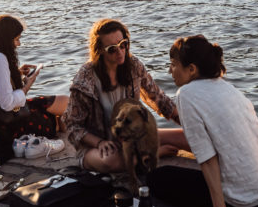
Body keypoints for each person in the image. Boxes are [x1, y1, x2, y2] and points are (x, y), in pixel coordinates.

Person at [148, 35, 258, 207]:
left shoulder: (186, 94)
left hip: (250, 198)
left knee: (156, 179)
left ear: (192, 69)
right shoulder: (223, 85)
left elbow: (207, 158)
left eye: (174, 65)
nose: (170, 71)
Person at [62, 18, 184, 173]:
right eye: (112, 49)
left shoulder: (133, 66)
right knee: (111, 162)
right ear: (99, 50)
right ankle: (150, 156)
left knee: (189, 138)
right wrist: (99, 143)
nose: (120, 52)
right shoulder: (85, 79)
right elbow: (72, 126)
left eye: (123, 44)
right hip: (100, 147)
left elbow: (159, 98)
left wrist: (186, 123)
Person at [0, 15, 67, 160]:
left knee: (62, 102)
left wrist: (17, 74)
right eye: (16, 39)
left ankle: (59, 124)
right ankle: (57, 127)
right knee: (52, 115)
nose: (18, 44)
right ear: (6, 39)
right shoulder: (0, 58)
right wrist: (27, 86)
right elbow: (7, 104)